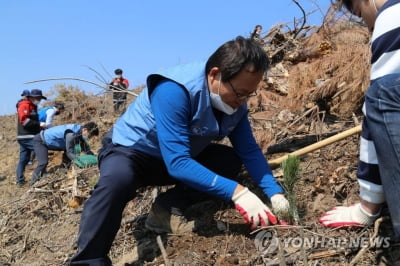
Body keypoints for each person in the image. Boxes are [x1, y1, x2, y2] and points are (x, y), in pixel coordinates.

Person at [70, 36, 290, 265]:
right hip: (132, 153)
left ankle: (165, 209)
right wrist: (238, 193)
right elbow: (178, 162)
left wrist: (274, 193)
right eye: (239, 93)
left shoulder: (235, 103)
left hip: (175, 157)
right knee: (117, 180)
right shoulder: (174, 89)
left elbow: (249, 150)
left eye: (248, 94)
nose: (242, 101)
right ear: (215, 75)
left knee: (228, 161)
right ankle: (90, 259)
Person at [319, 0, 400, 241]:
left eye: (358, 13)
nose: (366, 24)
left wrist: (368, 206)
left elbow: (375, 122)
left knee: (381, 94)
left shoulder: (391, 17)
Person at [30, 122, 99, 185]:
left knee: (69, 153)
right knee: (43, 162)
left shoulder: (79, 133)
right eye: (90, 135)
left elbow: (86, 149)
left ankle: (62, 172)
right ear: (84, 130)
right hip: (41, 141)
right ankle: (33, 182)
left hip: (51, 143)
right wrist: (80, 163)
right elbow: (69, 152)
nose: (89, 138)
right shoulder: (72, 134)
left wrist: (95, 158)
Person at [16, 89, 47, 187]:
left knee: (23, 159)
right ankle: (41, 175)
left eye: (40, 99)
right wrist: (39, 124)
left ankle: (19, 181)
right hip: (27, 136)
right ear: (31, 97)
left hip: (26, 136)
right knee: (41, 152)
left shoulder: (33, 106)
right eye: (38, 98)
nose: (39, 100)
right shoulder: (24, 105)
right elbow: (24, 121)